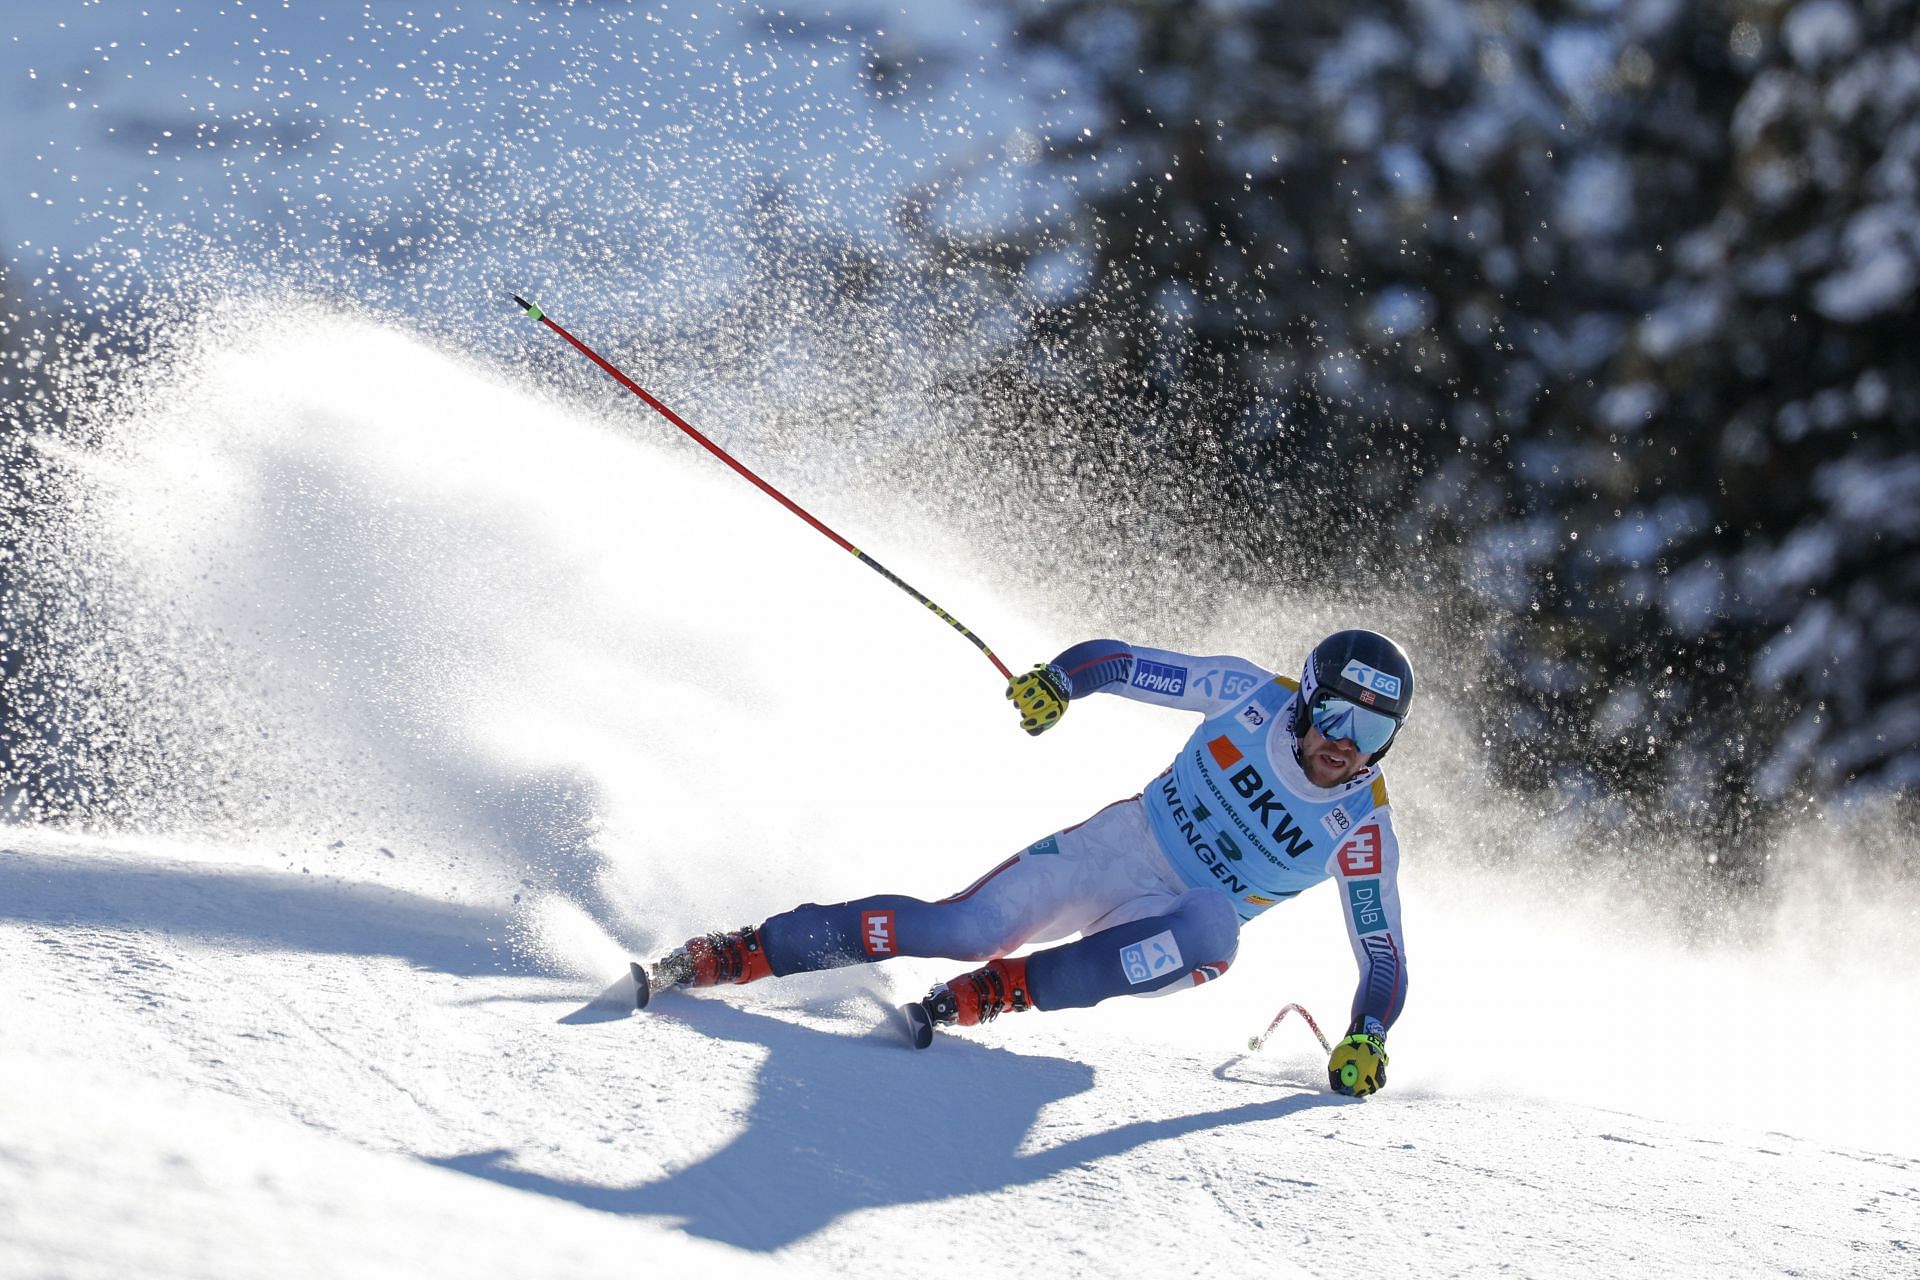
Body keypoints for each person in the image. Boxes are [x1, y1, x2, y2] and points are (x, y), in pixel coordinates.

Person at [647, 629, 1413, 1095]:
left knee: (1216, 926)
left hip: (1173, 931)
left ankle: (1007, 991)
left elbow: (1382, 955)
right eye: (1339, 716)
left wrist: (1368, 1034)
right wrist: (1060, 682)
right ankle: (744, 952)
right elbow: (1120, 663)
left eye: (1374, 734)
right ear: (1308, 700)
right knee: (964, 926)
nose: (1347, 744)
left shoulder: (1364, 827)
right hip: (1121, 847)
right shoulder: (1249, 696)